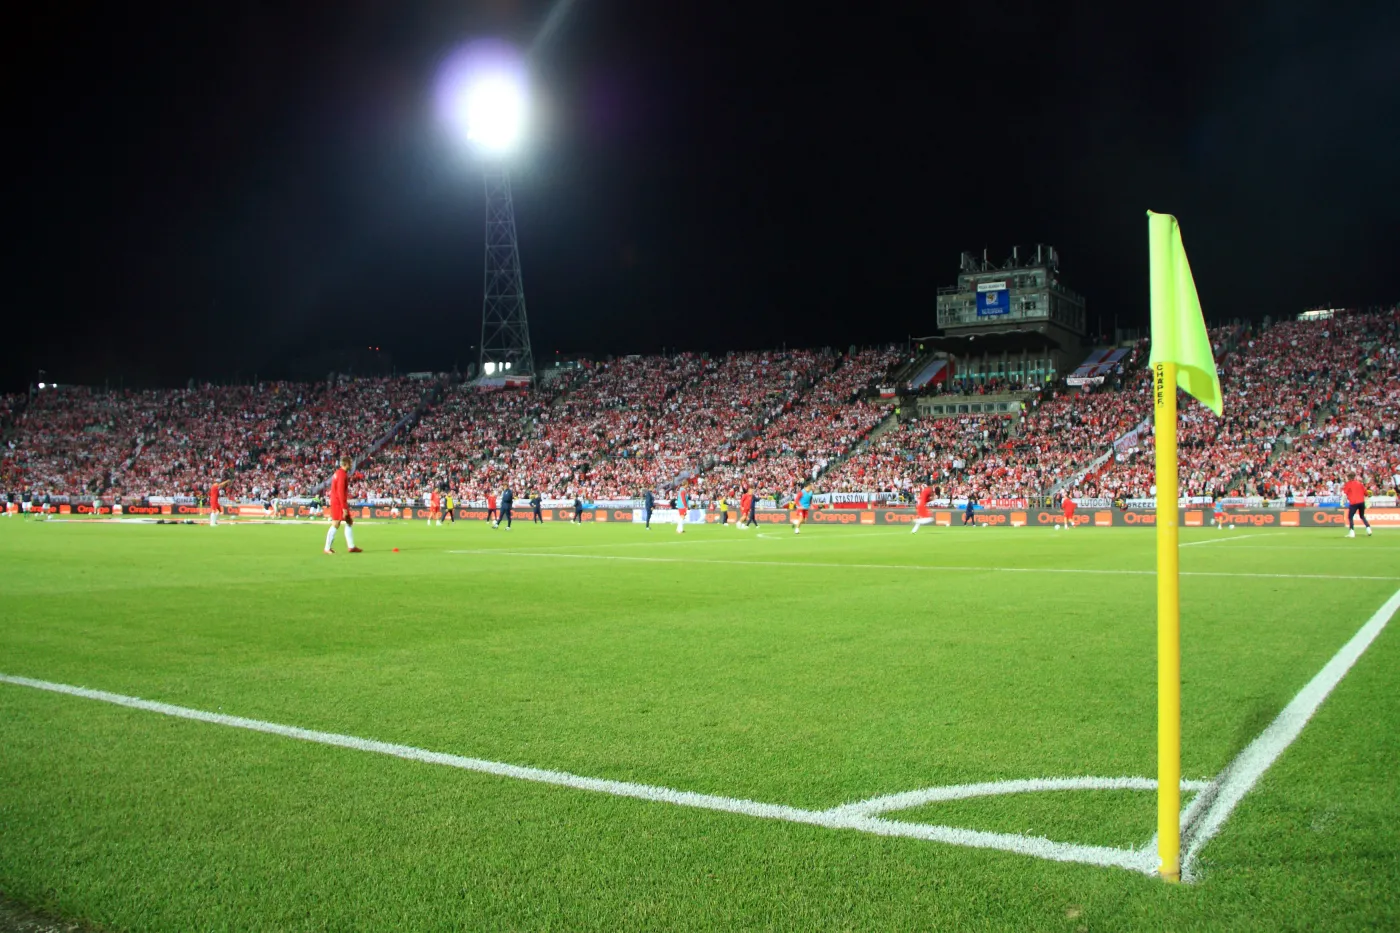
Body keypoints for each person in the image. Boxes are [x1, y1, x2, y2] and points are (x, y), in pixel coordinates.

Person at [324, 457, 362, 553]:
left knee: (349, 521)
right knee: (336, 523)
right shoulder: (342, 475)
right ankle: (327, 548)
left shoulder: (338, 473)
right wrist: (344, 508)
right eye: (350, 463)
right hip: (338, 502)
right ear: (346, 464)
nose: (351, 465)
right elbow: (340, 492)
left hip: (338, 501)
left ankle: (351, 546)